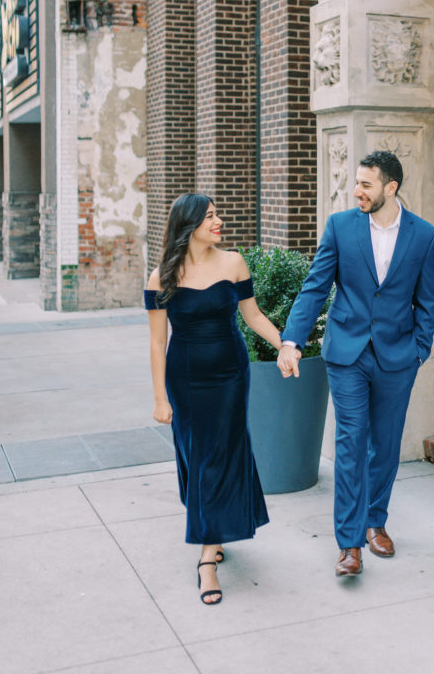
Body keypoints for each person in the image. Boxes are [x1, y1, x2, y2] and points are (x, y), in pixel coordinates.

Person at [278, 151, 434, 577]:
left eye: (366, 184)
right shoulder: (341, 227)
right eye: (357, 183)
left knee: (384, 445)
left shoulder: (424, 236)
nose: (357, 192)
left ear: (391, 188)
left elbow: (428, 300)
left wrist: (419, 350)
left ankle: (375, 520)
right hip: (347, 353)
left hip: (397, 357)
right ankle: (349, 544)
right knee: (351, 443)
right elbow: (315, 287)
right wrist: (291, 340)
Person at [144, 193, 283, 605]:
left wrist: (285, 344)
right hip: (185, 380)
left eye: (218, 213)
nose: (219, 221)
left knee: (222, 453)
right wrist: (159, 398)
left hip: (230, 377)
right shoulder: (161, 277)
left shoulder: (233, 263)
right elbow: (156, 343)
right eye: (210, 217)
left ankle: (207, 556)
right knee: (198, 456)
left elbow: (253, 315)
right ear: (189, 226)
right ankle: (212, 529)